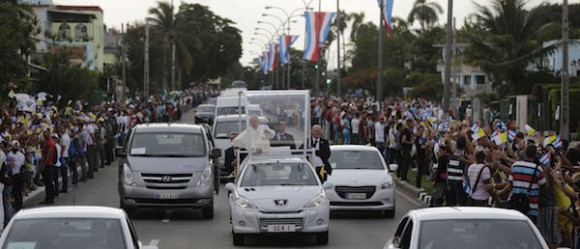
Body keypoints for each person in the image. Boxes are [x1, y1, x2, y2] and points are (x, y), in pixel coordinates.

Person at [498, 145, 546, 224]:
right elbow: (544, 187)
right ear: (535, 155)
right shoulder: (538, 169)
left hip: (516, 205)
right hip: (531, 208)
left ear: (525, 153)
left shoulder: (515, 166)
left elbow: (509, 186)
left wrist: (500, 193)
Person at [447, 136, 468, 206]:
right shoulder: (463, 159)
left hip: (450, 184)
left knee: (452, 204)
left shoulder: (450, 158)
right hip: (460, 185)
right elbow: (466, 174)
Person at [6, 140, 24, 212]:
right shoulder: (10, 155)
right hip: (12, 174)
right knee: (15, 192)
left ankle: (18, 206)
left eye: (17, 146)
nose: (16, 147)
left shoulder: (20, 155)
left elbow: (18, 164)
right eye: (14, 145)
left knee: (18, 191)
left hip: (18, 174)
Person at [40, 130, 56, 205]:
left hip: (48, 164)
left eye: (46, 132)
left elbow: (49, 154)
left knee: (49, 182)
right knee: (46, 182)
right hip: (47, 163)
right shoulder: (46, 141)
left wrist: (44, 163)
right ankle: (48, 197)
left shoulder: (50, 142)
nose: (44, 134)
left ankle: (50, 198)